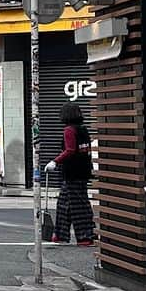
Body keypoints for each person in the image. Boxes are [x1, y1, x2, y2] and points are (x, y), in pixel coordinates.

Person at [46, 101, 95, 246]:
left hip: (72, 172)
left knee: (79, 205)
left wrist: (55, 161)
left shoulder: (69, 130)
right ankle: (60, 235)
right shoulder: (83, 130)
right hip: (83, 170)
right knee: (64, 204)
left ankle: (85, 236)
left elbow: (70, 150)